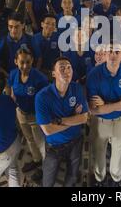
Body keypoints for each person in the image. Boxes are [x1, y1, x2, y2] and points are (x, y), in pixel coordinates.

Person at [87, 43, 121, 187]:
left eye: (117, 52)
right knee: (98, 154)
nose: (113, 55)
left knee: (118, 154)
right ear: (105, 54)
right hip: (100, 122)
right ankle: (99, 179)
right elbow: (94, 110)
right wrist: (120, 104)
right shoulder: (94, 74)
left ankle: (116, 179)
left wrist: (105, 105)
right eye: (109, 51)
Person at [36, 57, 89, 187]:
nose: (66, 70)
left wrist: (59, 121)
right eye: (62, 68)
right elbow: (48, 130)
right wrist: (74, 118)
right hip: (54, 145)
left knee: (72, 174)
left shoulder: (77, 89)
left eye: (69, 67)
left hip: (75, 140)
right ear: (53, 73)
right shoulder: (42, 97)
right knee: (48, 179)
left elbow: (83, 118)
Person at [6, 47, 48, 181]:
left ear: (32, 61)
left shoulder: (40, 79)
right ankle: (37, 160)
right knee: (29, 139)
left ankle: (47, 168)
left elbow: (46, 99)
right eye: (22, 62)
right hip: (21, 113)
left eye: (28, 62)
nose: (25, 66)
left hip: (36, 116)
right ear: (15, 62)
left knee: (41, 142)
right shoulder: (13, 74)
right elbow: (11, 90)